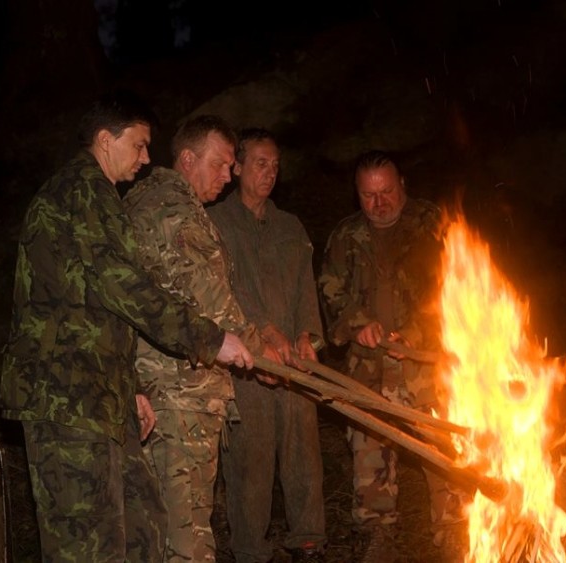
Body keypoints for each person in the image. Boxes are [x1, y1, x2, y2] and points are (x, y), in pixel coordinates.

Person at [0, 91, 254, 563]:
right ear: (105, 139)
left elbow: (98, 304)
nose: (146, 158)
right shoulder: (81, 190)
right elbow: (123, 285)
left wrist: (130, 386)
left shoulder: (100, 197)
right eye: (138, 145)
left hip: (102, 392)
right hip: (67, 395)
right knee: (88, 545)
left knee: (144, 526)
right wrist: (209, 338)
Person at [122, 114, 282, 563]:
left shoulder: (149, 202)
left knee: (162, 529)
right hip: (179, 395)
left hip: (167, 391)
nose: (228, 176)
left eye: (231, 167)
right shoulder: (173, 210)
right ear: (188, 159)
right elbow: (208, 298)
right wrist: (259, 351)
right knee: (187, 534)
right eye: (220, 164)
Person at [318, 150, 463, 562]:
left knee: (444, 451)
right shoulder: (346, 236)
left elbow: (455, 287)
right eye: (368, 195)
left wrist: (415, 332)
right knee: (371, 453)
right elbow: (330, 290)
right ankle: (378, 536)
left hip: (426, 369)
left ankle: (454, 531)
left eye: (386, 192)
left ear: (402, 185)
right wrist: (357, 323)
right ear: (357, 194)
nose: (379, 203)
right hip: (369, 371)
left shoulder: (433, 224)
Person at [209, 128, 327, 563]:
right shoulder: (216, 223)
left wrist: (306, 336)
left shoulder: (290, 226)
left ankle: (308, 540)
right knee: (250, 457)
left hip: (292, 361)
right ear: (237, 167)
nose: (270, 172)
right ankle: (250, 549)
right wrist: (263, 332)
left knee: (303, 451)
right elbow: (224, 290)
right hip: (247, 360)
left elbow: (305, 289)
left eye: (275, 165)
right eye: (260, 163)